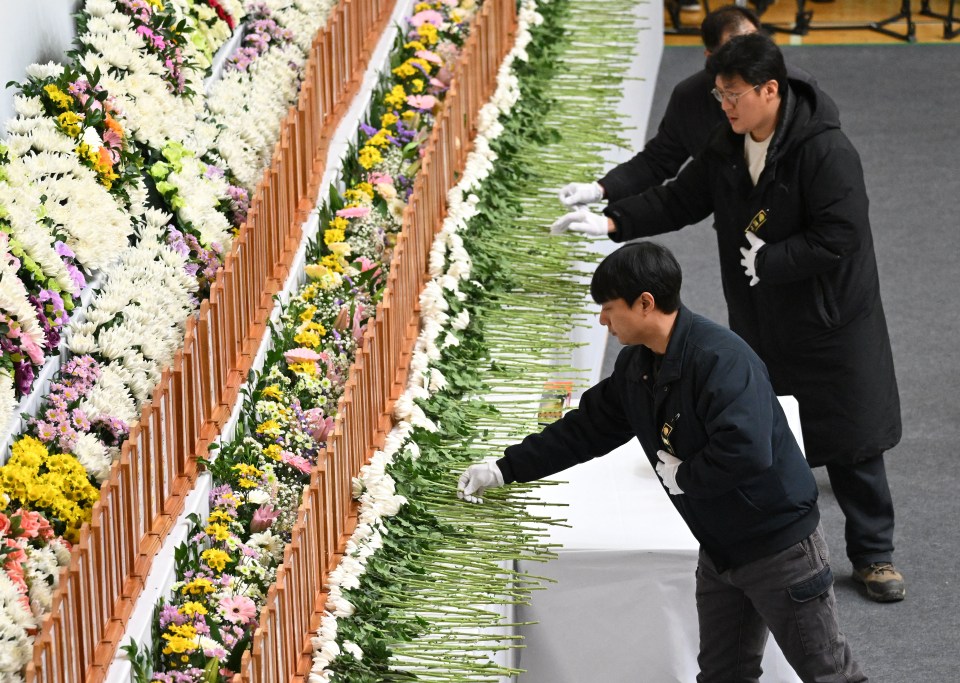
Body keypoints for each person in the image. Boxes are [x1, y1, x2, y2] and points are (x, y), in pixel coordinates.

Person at [551, 33, 905, 602]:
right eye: (719, 95)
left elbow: (842, 236)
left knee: (851, 438)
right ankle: (779, 550)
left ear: (770, 90)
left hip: (830, 322)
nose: (724, 106)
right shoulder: (730, 141)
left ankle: (874, 555)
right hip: (764, 317)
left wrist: (772, 258)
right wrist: (612, 221)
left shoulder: (826, 152)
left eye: (732, 95)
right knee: (763, 430)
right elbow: (679, 197)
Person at [458, 242, 867, 682]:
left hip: (780, 549)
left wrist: (685, 476)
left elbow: (746, 450)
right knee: (722, 673)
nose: (603, 321)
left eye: (609, 308)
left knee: (829, 674)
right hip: (720, 550)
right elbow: (585, 429)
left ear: (645, 303)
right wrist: (505, 468)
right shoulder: (638, 365)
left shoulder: (721, 361)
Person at [557, 5, 764, 210]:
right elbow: (657, 161)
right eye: (734, 56)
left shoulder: (792, 89)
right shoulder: (690, 98)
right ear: (710, 57)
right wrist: (600, 189)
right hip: (737, 217)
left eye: (755, 50)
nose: (749, 66)